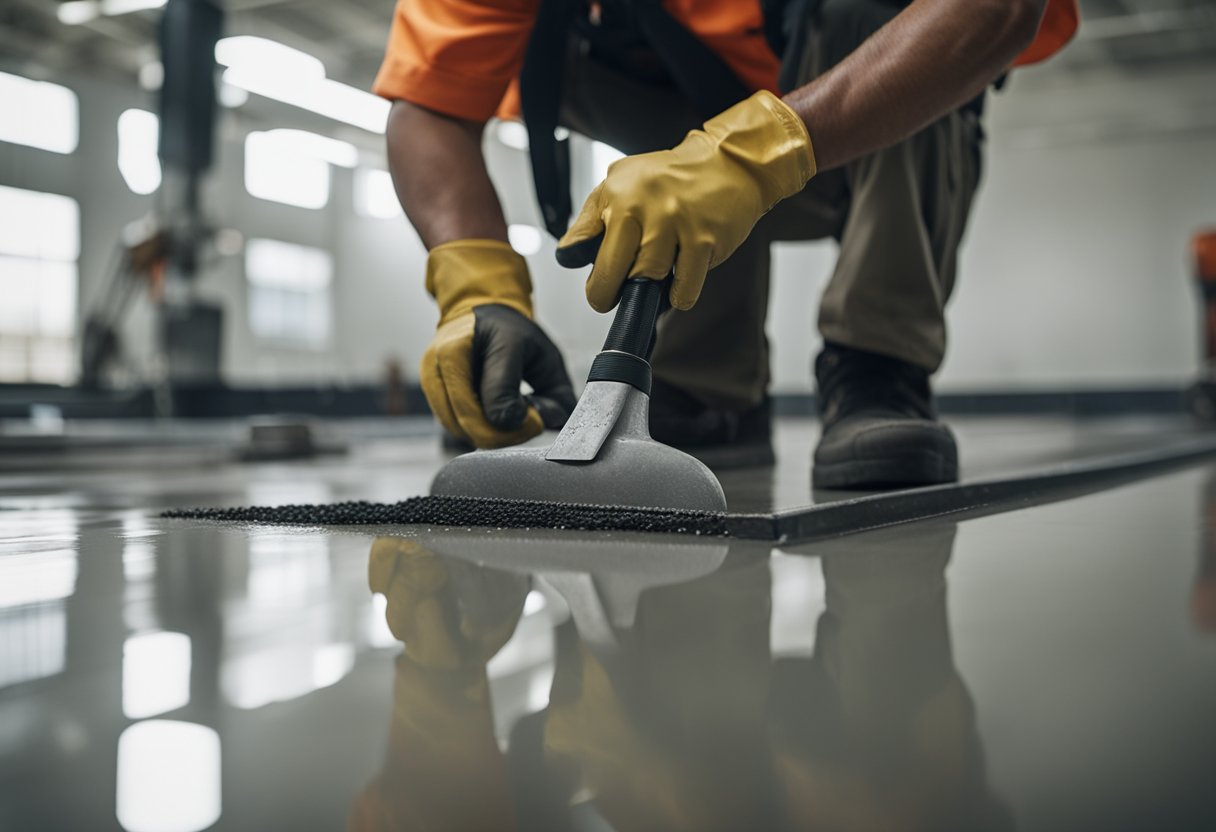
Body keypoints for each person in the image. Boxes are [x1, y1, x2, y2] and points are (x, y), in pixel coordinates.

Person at [373, 0, 1079, 488]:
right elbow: (431, 105)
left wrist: (746, 157)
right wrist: (477, 286)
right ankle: (703, 387)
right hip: (679, 132)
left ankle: (876, 370)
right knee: (593, 48)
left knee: (890, 14)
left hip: (860, 131)